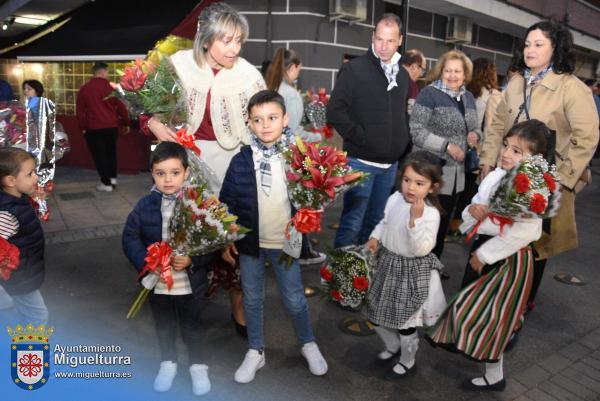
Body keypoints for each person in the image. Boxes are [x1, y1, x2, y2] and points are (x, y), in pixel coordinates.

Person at [148, 2, 265, 335]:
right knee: (182, 236)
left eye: (239, 41)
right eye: (226, 40)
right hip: (184, 165)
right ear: (206, 38)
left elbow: (262, 125)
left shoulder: (249, 75)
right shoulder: (177, 65)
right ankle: (184, 300)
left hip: (231, 167)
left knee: (231, 239)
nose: (234, 48)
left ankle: (237, 305)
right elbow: (146, 108)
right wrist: (155, 125)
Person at [479, 20, 599, 309]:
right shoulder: (517, 81)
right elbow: (496, 125)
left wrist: (559, 179)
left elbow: (587, 137)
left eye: (538, 44)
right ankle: (493, 300)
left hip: (543, 184)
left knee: (534, 246)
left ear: (555, 48)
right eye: (527, 43)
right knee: (500, 235)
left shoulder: (571, 88)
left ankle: (521, 305)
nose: (529, 49)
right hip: (507, 175)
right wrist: (487, 161)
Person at [428, 119, 553, 391]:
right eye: (506, 146)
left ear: (536, 158)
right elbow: (477, 204)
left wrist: (485, 254)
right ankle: (470, 348)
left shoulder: (532, 187)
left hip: (507, 259)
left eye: (517, 151)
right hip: (484, 249)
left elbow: (527, 231)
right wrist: (470, 213)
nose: (507, 153)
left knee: (492, 316)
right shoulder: (497, 175)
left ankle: (492, 374)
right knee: (478, 308)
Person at [220, 90, 328, 384]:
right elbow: (226, 203)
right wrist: (226, 238)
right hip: (251, 244)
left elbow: (316, 184)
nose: (265, 125)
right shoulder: (241, 160)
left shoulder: (300, 156)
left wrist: (316, 202)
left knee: (294, 298)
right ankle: (256, 350)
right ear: (249, 123)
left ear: (285, 119)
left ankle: (308, 343)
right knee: (252, 298)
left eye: (272, 118)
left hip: (286, 243)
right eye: (258, 119)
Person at [122, 142, 211, 396]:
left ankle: (197, 365)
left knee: (192, 327)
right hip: (157, 282)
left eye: (174, 173)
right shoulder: (145, 206)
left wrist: (193, 259)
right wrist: (146, 262)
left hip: (188, 284)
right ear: (152, 173)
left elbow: (212, 242)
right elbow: (130, 236)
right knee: (164, 326)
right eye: (161, 173)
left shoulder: (198, 206)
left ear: (186, 173)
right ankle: (168, 362)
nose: (168, 180)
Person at [327, 13, 411, 248]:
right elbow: (334, 112)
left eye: (390, 41)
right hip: (361, 161)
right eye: (379, 39)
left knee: (376, 223)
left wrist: (402, 141)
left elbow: (400, 114)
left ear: (400, 40)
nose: (383, 46)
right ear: (373, 37)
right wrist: (361, 138)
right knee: (352, 221)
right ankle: (339, 273)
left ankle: (361, 272)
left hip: (389, 165)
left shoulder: (402, 75)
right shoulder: (355, 69)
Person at [365, 151, 446, 380]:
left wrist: (415, 220)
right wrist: (375, 238)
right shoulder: (395, 199)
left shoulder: (430, 214)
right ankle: (393, 345)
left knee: (404, 322)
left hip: (410, 271)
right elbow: (385, 222)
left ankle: (407, 359)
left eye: (419, 183)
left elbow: (422, 248)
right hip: (387, 263)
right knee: (374, 313)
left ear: (432, 187)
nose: (411, 187)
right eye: (407, 180)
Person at [409, 50, 480, 277]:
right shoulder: (429, 94)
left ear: (465, 74)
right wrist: (447, 145)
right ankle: (415, 270)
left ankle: (431, 268)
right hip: (430, 171)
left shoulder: (468, 97)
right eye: (448, 70)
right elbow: (416, 131)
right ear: (441, 71)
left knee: (441, 225)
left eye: (457, 71)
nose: (452, 75)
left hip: (456, 173)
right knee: (425, 224)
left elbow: (475, 127)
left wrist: (476, 136)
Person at [265, 47, 326, 265]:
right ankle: (300, 252)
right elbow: (291, 129)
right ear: (292, 67)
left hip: (273, 155)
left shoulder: (273, 87)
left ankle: (290, 248)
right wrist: (316, 136)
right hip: (290, 156)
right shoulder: (289, 93)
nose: (299, 72)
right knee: (299, 204)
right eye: (299, 68)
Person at [447, 58, 502, 238]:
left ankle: (445, 225)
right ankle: (458, 225)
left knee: (452, 189)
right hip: (476, 151)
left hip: (456, 148)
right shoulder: (493, 95)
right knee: (469, 191)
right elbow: (491, 129)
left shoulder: (465, 92)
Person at [0, 148, 47, 326]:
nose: (36, 177)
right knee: (37, 317)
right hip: (20, 278)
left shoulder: (16, 199)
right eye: (30, 174)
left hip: (23, 273)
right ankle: (30, 352)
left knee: (23, 312)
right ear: (10, 181)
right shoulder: (7, 214)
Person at [76, 62, 130, 192]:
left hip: (94, 127)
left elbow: (81, 111)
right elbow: (122, 107)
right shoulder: (112, 88)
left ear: (94, 73)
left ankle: (106, 184)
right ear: (104, 72)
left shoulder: (85, 89)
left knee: (100, 155)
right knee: (111, 153)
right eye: (107, 72)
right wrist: (126, 122)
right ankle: (112, 179)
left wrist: (82, 127)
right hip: (111, 126)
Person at [401, 49, 426, 114]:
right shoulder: (412, 86)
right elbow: (412, 115)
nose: (421, 74)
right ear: (414, 66)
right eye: (422, 70)